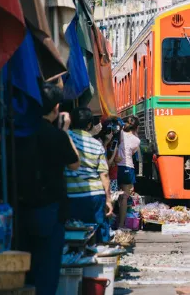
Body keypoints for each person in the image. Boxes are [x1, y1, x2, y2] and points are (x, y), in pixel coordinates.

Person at [16, 83, 80, 295]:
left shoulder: (20, 132)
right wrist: (64, 132)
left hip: (21, 208)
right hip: (51, 209)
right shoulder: (57, 136)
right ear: (56, 108)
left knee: (24, 271)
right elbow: (74, 163)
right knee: (47, 271)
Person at [66, 107, 113, 242]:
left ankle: (76, 259)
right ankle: (97, 257)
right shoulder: (96, 144)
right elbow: (104, 175)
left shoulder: (66, 137)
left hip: (71, 195)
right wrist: (108, 200)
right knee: (96, 233)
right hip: (95, 195)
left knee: (73, 234)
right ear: (89, 125)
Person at [117, 116, 141, 229]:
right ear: (137, 127)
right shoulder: (137, 140)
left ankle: (110, 222)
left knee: (112, 195)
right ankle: (121, 225)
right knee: (124, 197)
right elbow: (132, 153)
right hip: (128, 167)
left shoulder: (120, 133)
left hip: (115, 167)